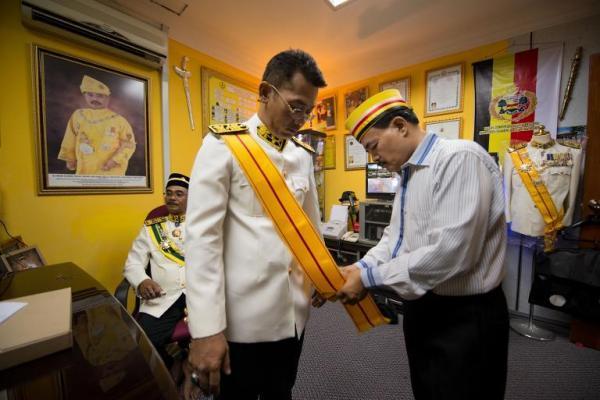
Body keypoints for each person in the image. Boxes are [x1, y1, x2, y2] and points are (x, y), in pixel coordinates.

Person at [338, 89, 509, 400]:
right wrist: (359, 267)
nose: (373, 158)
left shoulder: (459, 158)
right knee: (428, 388)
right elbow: (394, 239)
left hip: (465, 314)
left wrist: (368, 278)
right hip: (421, 305)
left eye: (373, 146)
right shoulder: (408, 174)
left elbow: (451, 253)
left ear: (400, 126)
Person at [184, 49, 327, 400]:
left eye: (307, 111)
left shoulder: (301, 155)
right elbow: (202, 240)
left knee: (282, 391)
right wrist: (206, 329)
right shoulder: (223, 146)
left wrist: (322, 273)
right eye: (295, 107)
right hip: (243, 322)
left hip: (293, 314)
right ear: (265, 92)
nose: (301, 119)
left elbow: (310, 223)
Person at [123, 172, 190, 365]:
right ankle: (173, 365)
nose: (172, 197)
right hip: (165, 297)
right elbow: (133, 263)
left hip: (199, 294)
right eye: (169, 193)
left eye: (179, 194)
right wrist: (142, 280)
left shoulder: (204, 225)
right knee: (143, 342)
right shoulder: (151, 229)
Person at [58, 75, 136, 175]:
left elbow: (129, 144)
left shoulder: (119, 120)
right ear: (84, 95)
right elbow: (70, 137)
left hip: (109, 172)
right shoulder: (78, 115)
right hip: (84, 171)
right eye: (90, 95)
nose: (95, 99)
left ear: (108, 98)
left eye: (100, 96)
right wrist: (70, 158)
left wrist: (115, 161)